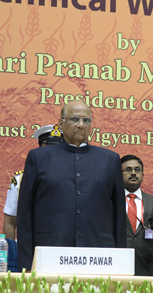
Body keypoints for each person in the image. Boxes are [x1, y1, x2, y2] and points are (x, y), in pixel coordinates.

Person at [17, 101, 126, 271]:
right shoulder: (39, 158)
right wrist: (26, 266)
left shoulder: (109, 160)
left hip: (99, 256)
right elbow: (25, 214)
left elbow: (119, 216)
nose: (81, 125)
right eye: (75, 119)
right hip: (49, 254)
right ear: (60, 123)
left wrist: (121, 264)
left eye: (86, 121)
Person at [2, 124, 62, 240]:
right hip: (29, 249)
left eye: (57, 148)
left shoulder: (75, 179)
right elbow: (10, 221)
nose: (52, 152)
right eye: (48, 147)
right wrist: (10, 255)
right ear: (40, 148)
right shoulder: (20, 180)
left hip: (62, 249)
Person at [122, 154, 153, 276]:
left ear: (143, 176)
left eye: (137, 170)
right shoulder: (111, 201)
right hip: (118, 267)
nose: (133, 173)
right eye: (128, 170)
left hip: (145, 269)